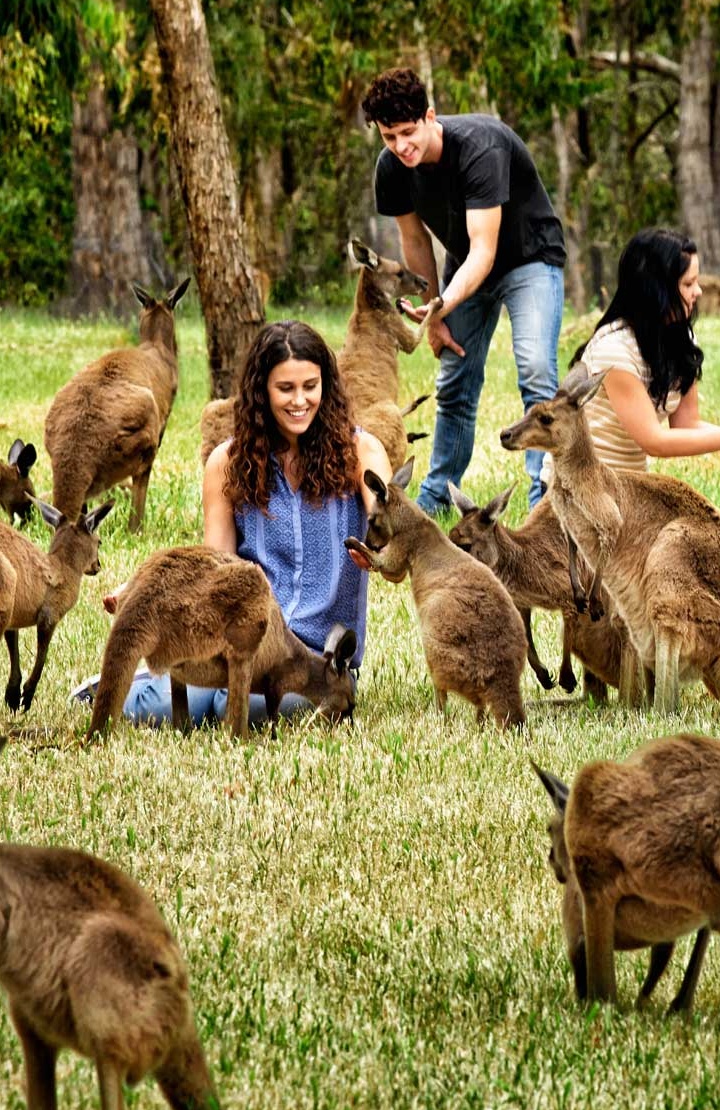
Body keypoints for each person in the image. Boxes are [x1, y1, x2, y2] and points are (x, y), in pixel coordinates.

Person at [72, 320, 392, 727]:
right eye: (286, 389)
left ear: (326, 387)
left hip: (316, 661)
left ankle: (175, 690)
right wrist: (138, 590)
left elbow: (392, 525)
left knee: (245, 709)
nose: (300, 401)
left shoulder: (361, 450)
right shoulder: (227, 462)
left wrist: (381, 549)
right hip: (237, 643)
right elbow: (215, 565)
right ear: (262, 392)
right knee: (165, 709)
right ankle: (121, 686)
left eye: (310, 386)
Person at [361, 66, 566, 513]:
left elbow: (484, 251)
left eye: (409, 132)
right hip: (466, 265)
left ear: (431, 116)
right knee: (454, 381)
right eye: (389, 137)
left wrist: (442, 304)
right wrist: (433, 314)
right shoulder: (392, 168)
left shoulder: (479, 147)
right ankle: (434, 500)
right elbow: (414, 241)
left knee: (535, 371)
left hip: (529, 258)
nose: (401, 146)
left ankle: (544, 504)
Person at [570, 227, 720, 471]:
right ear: (656, 290)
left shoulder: (681, 337)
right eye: (688, 283)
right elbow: (655, 441)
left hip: (632, 489)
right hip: (584, 488)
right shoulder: (614, 350)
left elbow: (687, 425)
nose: (699, 291)